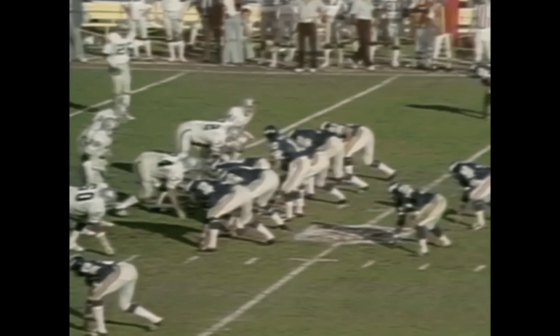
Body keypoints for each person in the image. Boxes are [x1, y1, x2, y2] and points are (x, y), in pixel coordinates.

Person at [294, 0, 327, 72]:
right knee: (301, 45)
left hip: (311, 23)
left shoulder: (317, 1)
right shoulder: (297, 1)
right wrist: (297, 20)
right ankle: (300, 64)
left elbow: (324, 9)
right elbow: (294, 12)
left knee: (313, 45)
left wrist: (318, 18)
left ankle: (313, 65)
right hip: (301, 23)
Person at [350, 0, 375, 70]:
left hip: (368, 21)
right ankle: (368, 63)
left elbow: (371, 12)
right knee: (364, 41)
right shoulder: (357, 1)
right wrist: (354, 26)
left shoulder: (369, 2)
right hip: (360, 21)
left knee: (366, 42)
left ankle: (355, 57)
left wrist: (372, 20)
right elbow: (353, 13)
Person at [222, 0, 244, 65]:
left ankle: (233, 59)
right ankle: (231, 59)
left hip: (232, 15)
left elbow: (238, 4)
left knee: (233, 38)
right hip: (231, 16)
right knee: (232, 39)